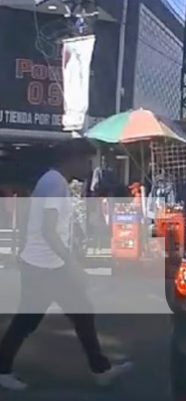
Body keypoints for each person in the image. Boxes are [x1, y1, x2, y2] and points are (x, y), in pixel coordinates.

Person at [0, 139, 132, 391]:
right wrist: (70, 264)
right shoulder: (55, 184)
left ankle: (100, 368)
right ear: (72, 159)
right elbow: (49, 230)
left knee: (80, 313)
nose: (89, 168)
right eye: (87, 161)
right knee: (29, 319)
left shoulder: (53, 181)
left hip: (44, 262)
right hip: (45, 265)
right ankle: (2, 368)